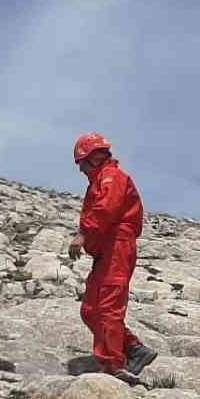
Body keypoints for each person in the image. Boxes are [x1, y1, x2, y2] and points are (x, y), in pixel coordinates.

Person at [69, 133, 157, 381]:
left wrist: (83, 234)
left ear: (95, 158)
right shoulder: (99, 181)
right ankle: (133, 348)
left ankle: (113, 365)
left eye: (83, 164)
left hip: (117, 246)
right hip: (106, 250)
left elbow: (105, 209)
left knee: (107, 305)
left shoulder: (112, 178)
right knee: (90, 309)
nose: (82, 170)